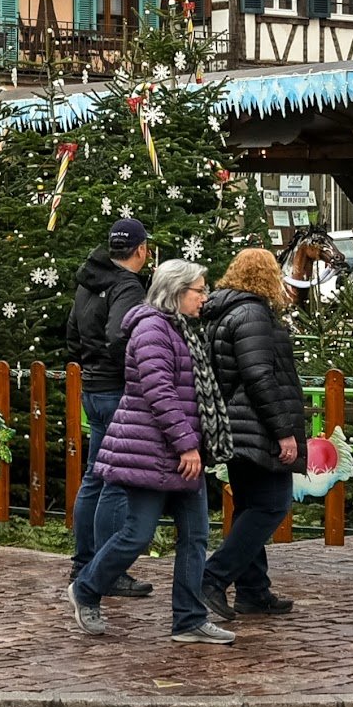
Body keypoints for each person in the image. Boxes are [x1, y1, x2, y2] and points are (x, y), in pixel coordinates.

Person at [66, 260, 229, 645]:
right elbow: (160, 393)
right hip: (154, 451)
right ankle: (87, 588)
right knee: (137, 534)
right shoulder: (153, 329)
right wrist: (187, 444)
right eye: (198, 291)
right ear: (175, 292)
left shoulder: (183, 328)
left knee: (196, 536)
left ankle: (189, 619)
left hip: (182, 451)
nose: (204, 298)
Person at [201, 247, 308, 623]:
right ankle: (213, 577)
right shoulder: (253, 314)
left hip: (236, 425)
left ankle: (253, 591)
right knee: (271, 505)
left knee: (249, 506)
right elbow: (261, 376)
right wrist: (284, 432)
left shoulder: (223, 311)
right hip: (256, 427)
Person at [63, 217, 154, 599]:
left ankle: (83, 562)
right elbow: (122, 334)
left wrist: (90, 363)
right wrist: (130, 367)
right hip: (116, 388)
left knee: (94, 477)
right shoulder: (126, 285)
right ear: (141, 250)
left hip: (92, 387)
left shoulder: (90, 278)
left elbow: (70, 333)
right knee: (115, 481)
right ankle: (108, 570)